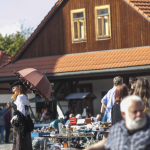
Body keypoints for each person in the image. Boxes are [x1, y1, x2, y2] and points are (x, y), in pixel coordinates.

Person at [10, 81, 34, 150]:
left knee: (19, 144)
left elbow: (21, 113)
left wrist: (13, 118)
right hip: (26, 124)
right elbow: (26, 112)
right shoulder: (25, 97)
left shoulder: (20, 97)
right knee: (26, 144)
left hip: (20, 126)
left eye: (14, 88)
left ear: (19, 87)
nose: (13, 90)